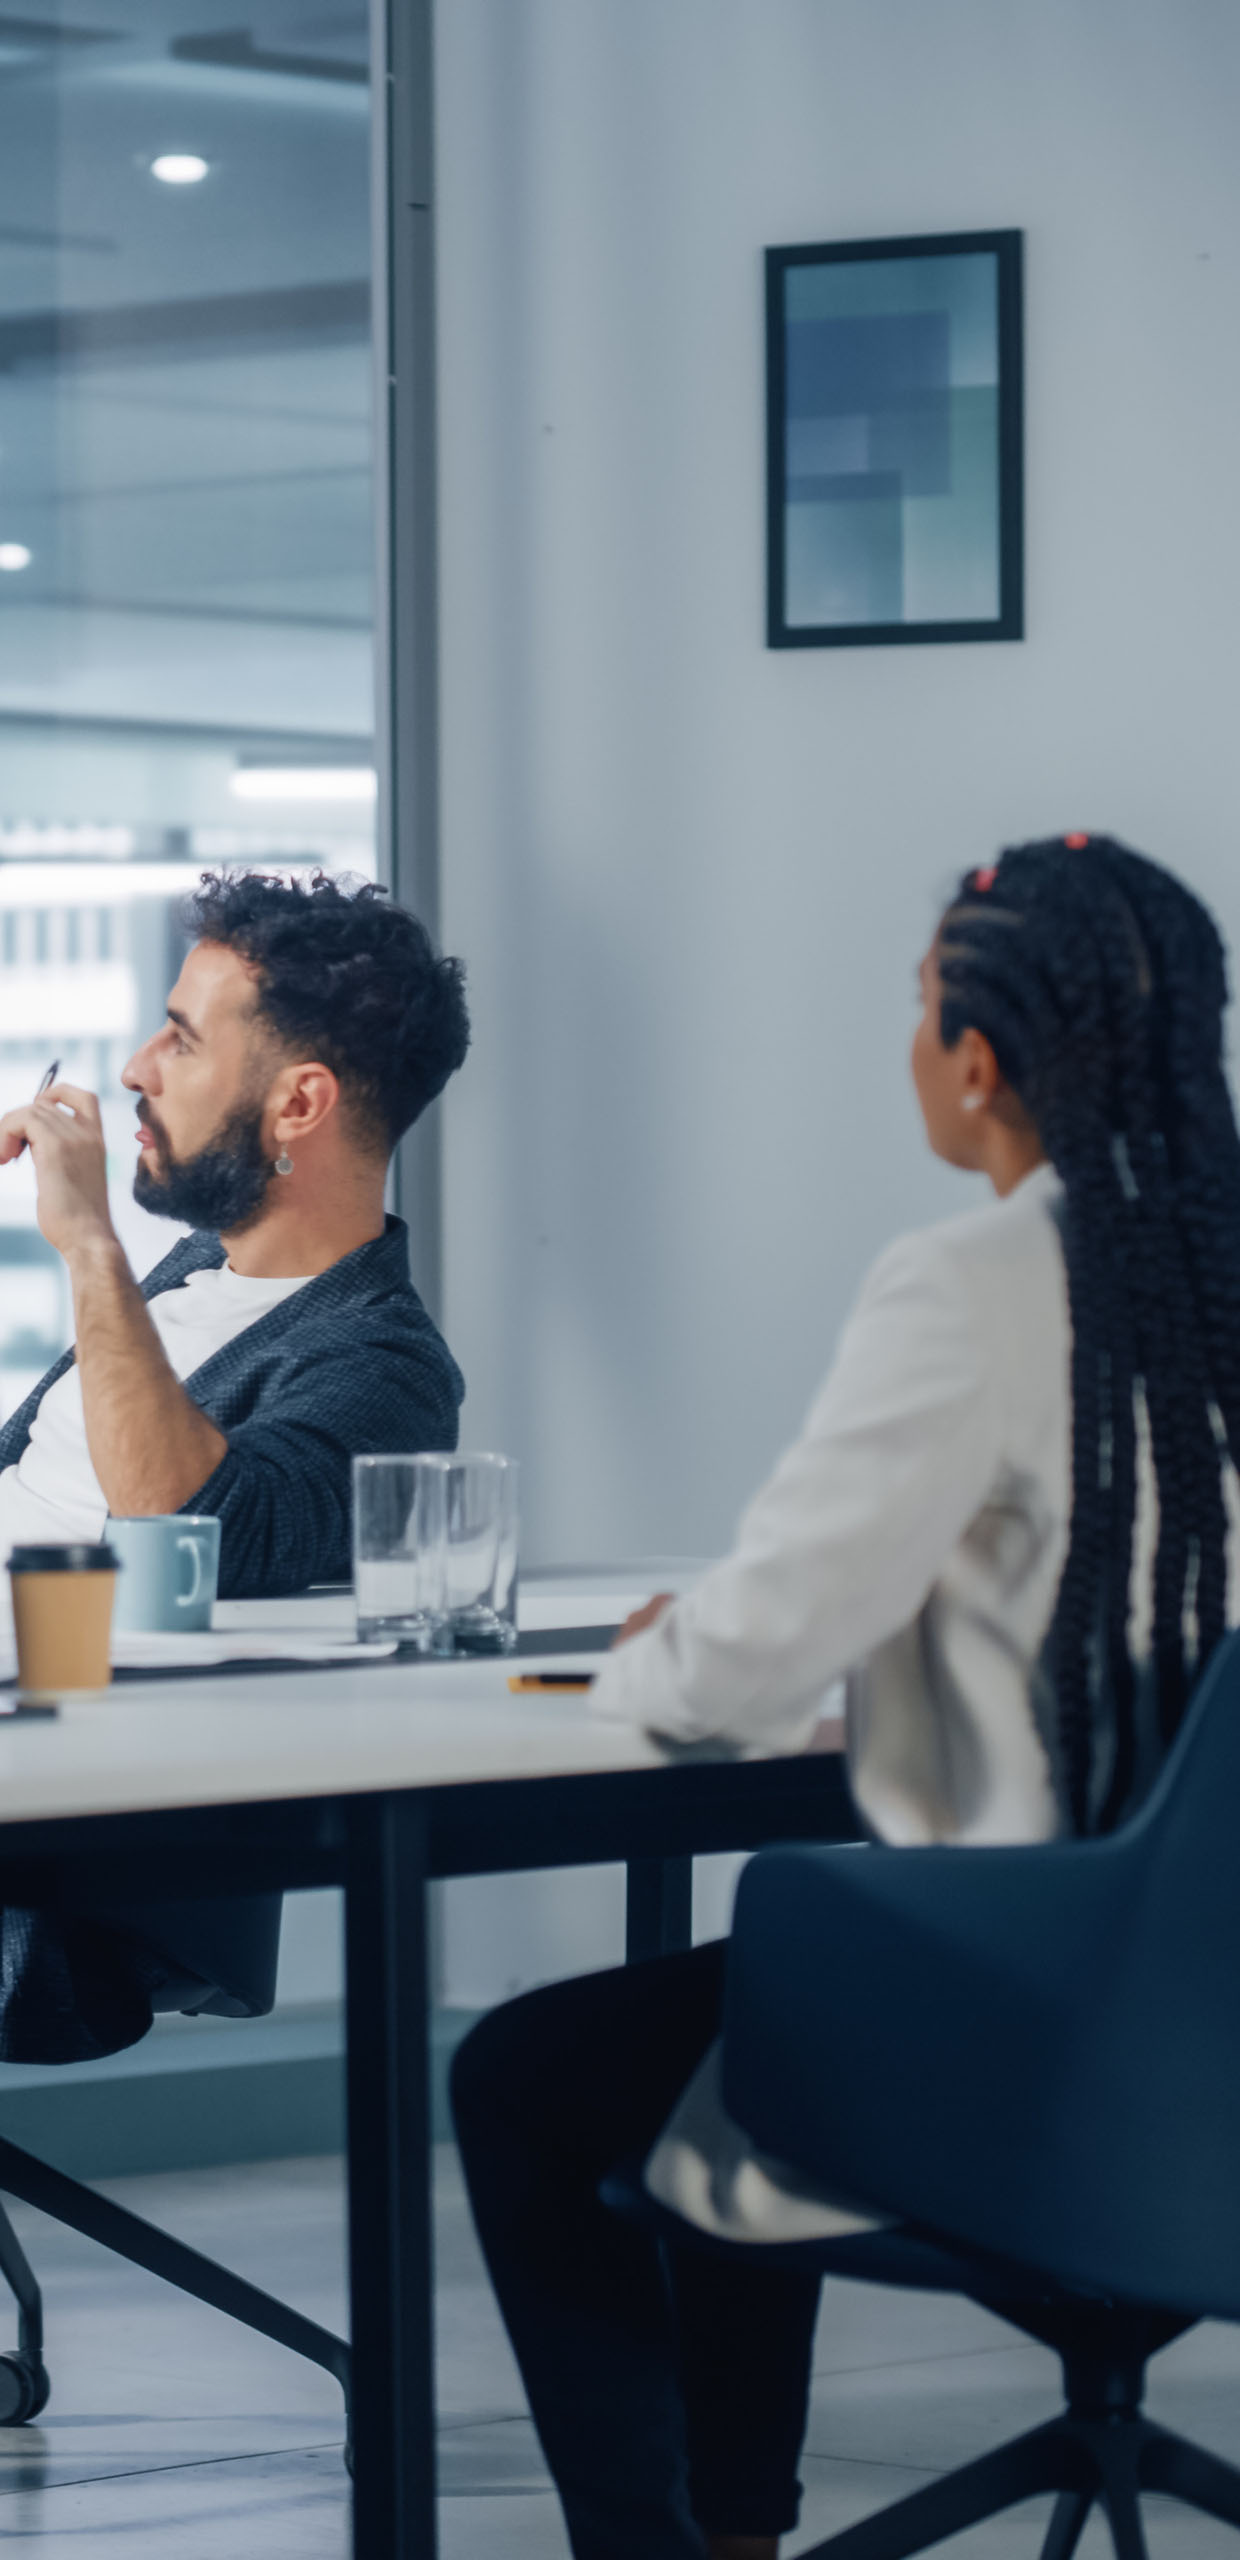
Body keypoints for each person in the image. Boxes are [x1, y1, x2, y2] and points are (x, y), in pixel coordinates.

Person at [452, 834, 1240, 2560]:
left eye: (914, 1011)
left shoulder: (978, 1283)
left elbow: (751, 1654)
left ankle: (696, 2547)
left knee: (538, 2072)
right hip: (1218, 2034)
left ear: (975, 1058)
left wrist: (661, 1649)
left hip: (1042, 2038)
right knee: (758, 1993)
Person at [0, 869, 472, 1615]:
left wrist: (90, 1244)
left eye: (183, 1040)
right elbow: (52, 1504)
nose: (138, 1069)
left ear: (299, 1103)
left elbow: (195, 1535)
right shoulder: (195, 1274)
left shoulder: (385, 1368)